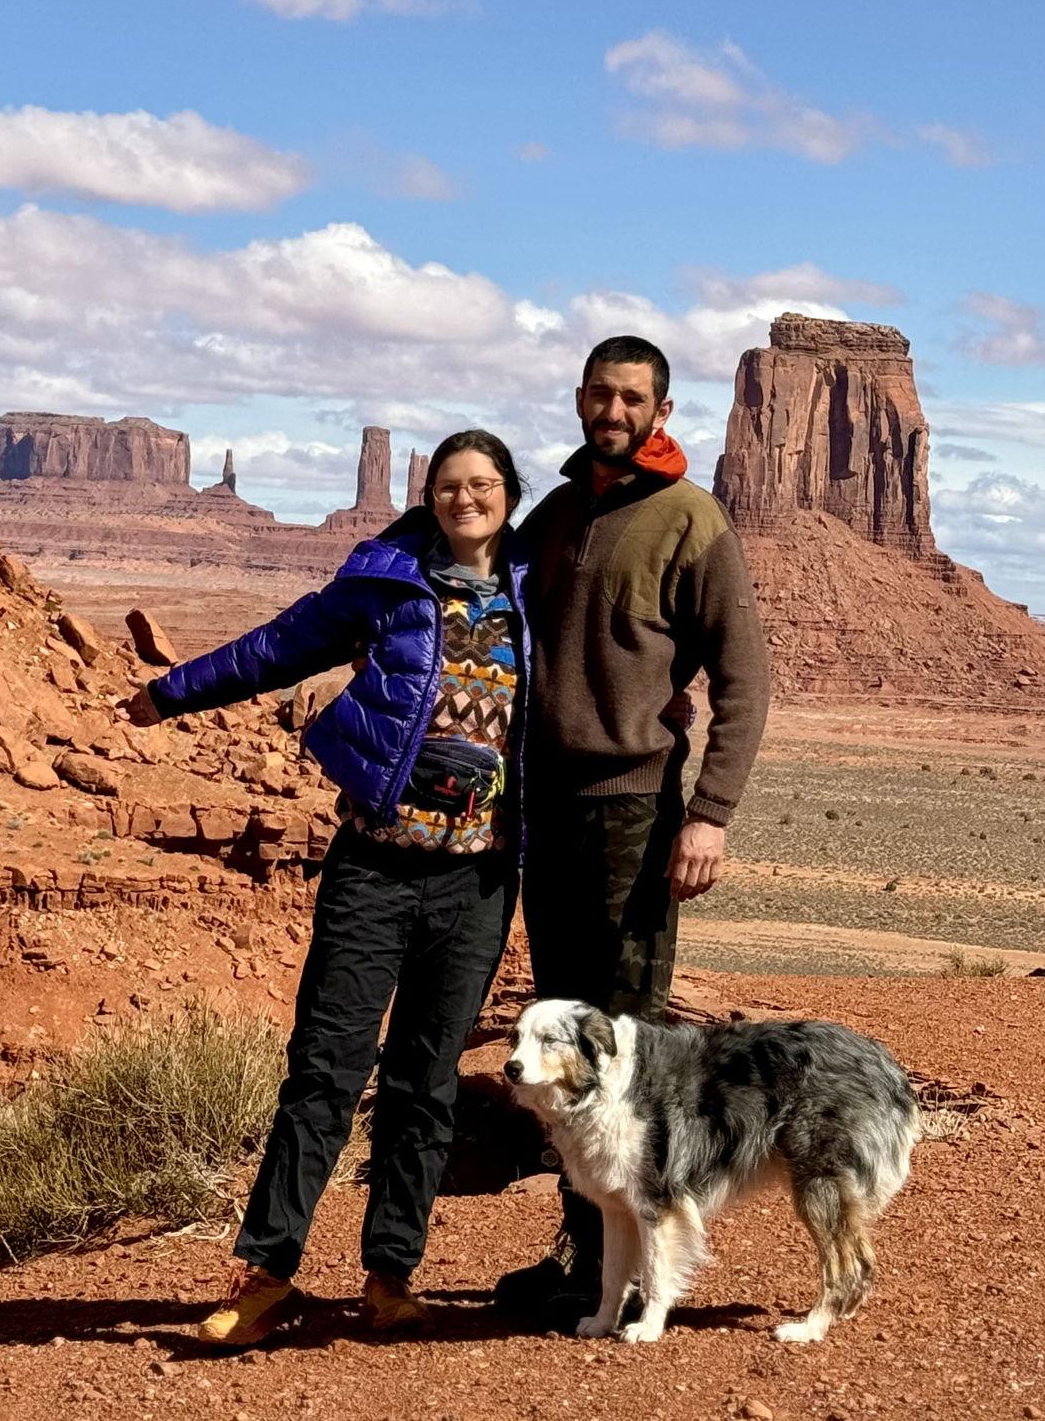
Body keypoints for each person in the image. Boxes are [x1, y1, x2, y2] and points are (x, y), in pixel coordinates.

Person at [124, 430, 529, 1347]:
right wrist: (172, 692)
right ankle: (265, 1274)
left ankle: (390, 1276)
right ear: (427, 496)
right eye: (450, 486)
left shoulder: (536, 594)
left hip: (475, 879)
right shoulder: (387, 582)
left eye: (485, 485)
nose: (467, 499)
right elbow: (282, 645)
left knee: (426, 1083)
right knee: (324, 1074)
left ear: (510, 493)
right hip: (376, 867)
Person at [493, 334, 771, 1327]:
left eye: (631, 397)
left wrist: (709, 814)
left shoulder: (690, 520)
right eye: (600, 394)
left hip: (635, 809)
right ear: (578, 398)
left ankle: (640, 1268)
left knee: (628, 1046)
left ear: (659, 409)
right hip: (547, 806)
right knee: (564, 1040)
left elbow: (743, 679)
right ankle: (586, 1261)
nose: (612, 410)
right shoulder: (557, 513)